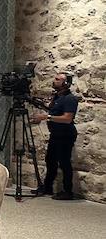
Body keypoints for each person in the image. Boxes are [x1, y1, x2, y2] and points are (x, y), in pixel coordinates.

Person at [32, 72, 80, 200]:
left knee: (64, 162)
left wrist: (46, 117)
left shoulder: (70, 99)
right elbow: (53, 112)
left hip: (65, 134)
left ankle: (67, 191)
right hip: (56, 134)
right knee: (50, 160)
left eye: (58, 79)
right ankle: (48, 187)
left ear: (65, 83)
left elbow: (67, 118)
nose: (54, 81)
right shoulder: (57, 97)